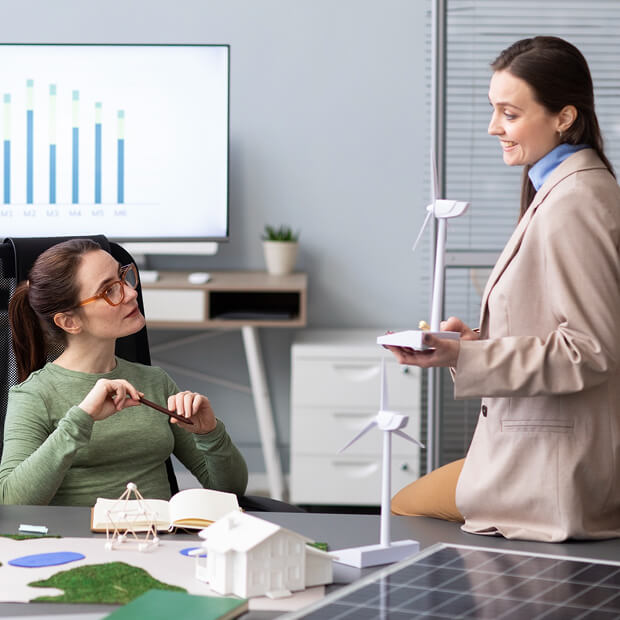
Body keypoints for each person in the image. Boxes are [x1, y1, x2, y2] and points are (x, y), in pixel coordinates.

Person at [387, 36, 620, 542]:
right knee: (404, 505)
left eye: (509, 114)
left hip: (553, 473)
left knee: (403, 513)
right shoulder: (560, 190)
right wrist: (471, 343)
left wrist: (464, 358)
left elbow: (592, 351)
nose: (494, 127)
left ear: (563, 116)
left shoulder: (576, 201)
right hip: (527, 453)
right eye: (495, 111)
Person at [0, 238, 248, 506]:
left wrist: (209, 432)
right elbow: (12, 502)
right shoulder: (35, 394)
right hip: (81, 543)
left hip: (158, 541)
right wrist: (82, 419)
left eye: (123, 277)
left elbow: (230, 491)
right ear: (69, 321)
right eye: (109, 291)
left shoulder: (155, 382)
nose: (131, 293)